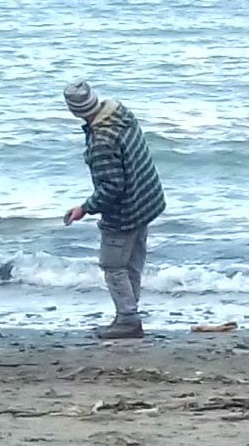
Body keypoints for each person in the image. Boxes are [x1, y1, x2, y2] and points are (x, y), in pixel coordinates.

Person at [60, 81, 165, 339]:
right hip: (147, 201)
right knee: (132, 264)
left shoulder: (101, 140)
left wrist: (85, 208)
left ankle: (128, 319)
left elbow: (112, 188)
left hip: (126, 211)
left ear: (74, 111)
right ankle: (128, 313)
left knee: (113, 265)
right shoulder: (121, 114)